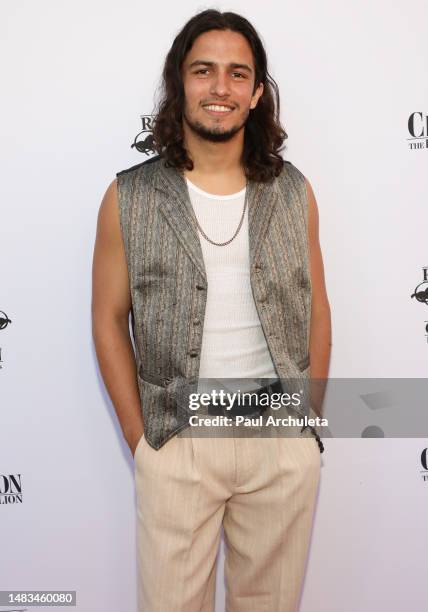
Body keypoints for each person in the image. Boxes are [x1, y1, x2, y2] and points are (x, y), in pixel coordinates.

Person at [92, 8, 331, 612]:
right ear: (181, 84)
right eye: (204, 71)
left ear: (256, 94)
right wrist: (139, 435)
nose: (219, 88)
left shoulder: (295, 191)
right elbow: (108, 318)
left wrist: (307, 421)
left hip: (277, 436)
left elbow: (317, 309)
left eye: (236, 74)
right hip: (177, 438)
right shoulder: (129, 196)